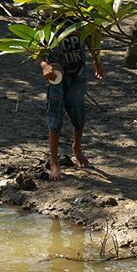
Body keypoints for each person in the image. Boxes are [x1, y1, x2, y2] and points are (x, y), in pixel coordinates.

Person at [38, 23, 105, 181]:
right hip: (57, 77)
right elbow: (37, 49)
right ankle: (54, 161)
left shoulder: (78, 18)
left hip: (77, 75)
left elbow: (90, 39)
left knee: (78, 115)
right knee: (55, 117)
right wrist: (44, 65)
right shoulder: (47, 22)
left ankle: (77, 147)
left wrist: (97, 61)